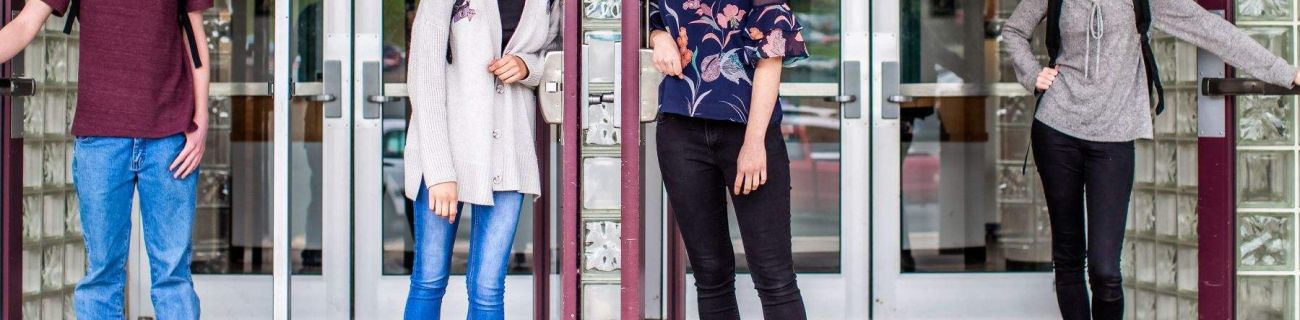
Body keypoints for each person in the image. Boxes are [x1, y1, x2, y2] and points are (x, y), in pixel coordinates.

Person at [1002, 0, 1300, 318]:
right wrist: (1032, 74)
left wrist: (1286, 72)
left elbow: (1210, 28)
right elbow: (1013, 30)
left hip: (1113, 139)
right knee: (1069, 257)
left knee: (1105, 270)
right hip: (1057, 130)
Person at [0, 0, 211, 318]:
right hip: (101, 141)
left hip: (170, 137)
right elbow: (26, 23)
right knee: (102, 276)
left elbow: (194, 38)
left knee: (173, 276)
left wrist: (201, 119)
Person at [648, 0, 809, 319]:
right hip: (680, 129)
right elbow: (646, 17)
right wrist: (658, 37)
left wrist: (754, 143)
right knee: (709, 274)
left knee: (774, 276)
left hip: (749, 131)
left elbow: (771, 54)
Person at [402, 0, 555, 318]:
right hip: (445, 153)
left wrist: (528, 68)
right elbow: (424, 76)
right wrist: (440, 171)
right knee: (429, 282)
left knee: (488, 289)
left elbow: (561, 56)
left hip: (509, 153)